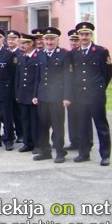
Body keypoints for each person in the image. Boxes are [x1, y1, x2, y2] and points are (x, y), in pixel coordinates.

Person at [71, 22, 112, 166]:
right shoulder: (74, 53)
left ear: (91, 35)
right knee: (83, 125)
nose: (84, 37)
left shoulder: (101, 51)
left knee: (101, 125)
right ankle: (84, 153)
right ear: (78, 36)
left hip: (96, 95)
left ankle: (105, 155)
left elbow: (107, 72)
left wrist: (100, 87)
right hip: (80, 95)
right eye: (81, 34)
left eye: (87, 34)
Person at [32, 27, 72, 163]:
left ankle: (60, 152)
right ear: (43, 40)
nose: (49, 42)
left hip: (57, 97)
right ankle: (45, 151)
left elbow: (68, 77)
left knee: (57, 126)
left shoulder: (64, 55)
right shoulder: (41, 54)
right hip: (43, 96)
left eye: (52, 39)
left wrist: (67, 97)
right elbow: (37, 77)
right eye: (47, 39)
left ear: (57, 40)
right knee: (42, 125)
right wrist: (35, 95)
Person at [14, 33, 39, 153]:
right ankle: (27, 143)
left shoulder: (39, 56)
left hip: (33, 94)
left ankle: (37, 143)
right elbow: (18, 77)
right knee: (25, 119)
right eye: (21, 43)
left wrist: (36, 95)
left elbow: (38, 78)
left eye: (24, 43)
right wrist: (17, 93)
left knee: (35, 121)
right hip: (23, 93)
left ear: (31, 43)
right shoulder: (21, 57)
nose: (22, 45)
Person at [65, 29, 82, 151]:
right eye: (72, 40)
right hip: (71, 91)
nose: (74, 42)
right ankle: (74, 141)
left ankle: (86, 142)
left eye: (76, 40)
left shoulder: (83, 53)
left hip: (84, 91)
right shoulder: (68, 54)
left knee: (83, 118)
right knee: (72, 118)